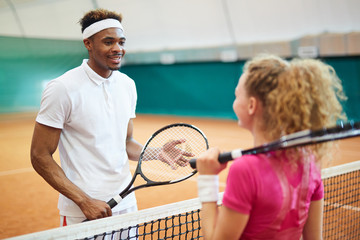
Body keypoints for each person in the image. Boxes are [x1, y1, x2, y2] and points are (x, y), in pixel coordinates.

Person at [30, 8, 189, 230]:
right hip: (83, 211)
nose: (118, 49)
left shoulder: (127, 85)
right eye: (108, 42)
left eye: (121, 42)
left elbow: (126, 143)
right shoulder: (62, 88)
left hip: (126, 204)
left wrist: (156, 152)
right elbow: (39, 155)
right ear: (88, 43)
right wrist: (84, 201)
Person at [195, 54, 347, 239]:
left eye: (236, 95)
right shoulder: (310, 161)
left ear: (252, 105)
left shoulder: (245, 170)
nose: (234, 101)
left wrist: (207, 179)